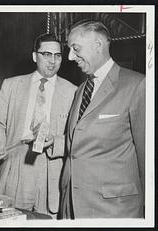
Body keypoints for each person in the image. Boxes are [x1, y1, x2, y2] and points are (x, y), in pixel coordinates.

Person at [60, 20, 145, 218]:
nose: (71, 57)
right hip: (73, 206)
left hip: (116, 210)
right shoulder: (81, 90)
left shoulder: (137, 85)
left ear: (98, 45)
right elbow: (78, 145)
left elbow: (148, 159)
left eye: (75, 48)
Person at [0, 33, 77, 216]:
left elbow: (76, 136)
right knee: (9, 219)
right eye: (46, 54)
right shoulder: (11, 85)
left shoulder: (73, 91)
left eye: (57, 55)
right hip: (16, 165)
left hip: (53, 172)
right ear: (35, 56)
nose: (52, 61)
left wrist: (55, 141)